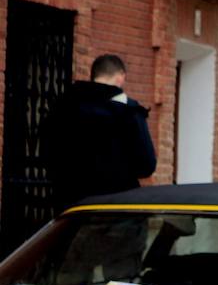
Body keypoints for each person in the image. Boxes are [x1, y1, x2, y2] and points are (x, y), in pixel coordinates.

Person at [44, 54, 157, 212]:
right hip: (117, 207)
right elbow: (147, 165)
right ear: (120, 77)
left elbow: (49, 154)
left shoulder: (63, 107)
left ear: (93, 75)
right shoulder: (129, 111)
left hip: (72, 208)